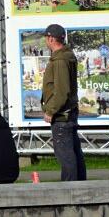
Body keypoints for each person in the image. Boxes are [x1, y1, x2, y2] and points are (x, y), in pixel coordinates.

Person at [40, 24, 86, 182]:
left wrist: (51, 110)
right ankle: (80, 186)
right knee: (73, 153)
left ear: (51, 38)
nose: (46, 41)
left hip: (62, 116)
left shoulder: (60, 60)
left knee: (65, 156)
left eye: (46, 38)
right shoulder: (66, 56)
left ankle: (70, 192)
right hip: (68, 113)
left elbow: (62, 91)